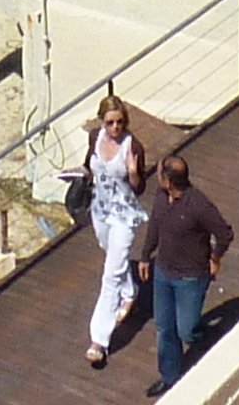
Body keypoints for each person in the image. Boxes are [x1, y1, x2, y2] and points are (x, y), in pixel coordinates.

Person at [133, 154, 233, 393]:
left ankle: (207, 339)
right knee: (164, 327)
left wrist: (215, 258)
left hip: (191, 277)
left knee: (186, 330)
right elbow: (154, 226)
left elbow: (225, 233)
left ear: (168, 181)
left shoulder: (199, 206)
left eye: (159, 173)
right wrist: (145, 256)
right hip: (163, 273)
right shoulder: (160, 197)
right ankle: (169, 376)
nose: (156, 175)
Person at [78, 96, 150, 368]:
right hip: (101, 210)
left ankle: (99, 339)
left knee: (110, 275)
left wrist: (132, 172)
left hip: (124, 215)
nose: (115, 127)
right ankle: (130, 292)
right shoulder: (96, 137)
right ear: (102, 122)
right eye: (110, 122)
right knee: (110, 254)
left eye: (120, 122)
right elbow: (90, 165)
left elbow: (139, 187)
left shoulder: (133, 147)